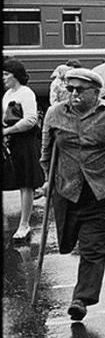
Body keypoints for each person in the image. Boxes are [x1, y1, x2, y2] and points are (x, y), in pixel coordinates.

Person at [40, 68, 105, 321]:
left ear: (96, 92)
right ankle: (81, 285)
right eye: (71, 89)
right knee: (67, 243)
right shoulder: (55, 114)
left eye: (80, 90)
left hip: (104, 191)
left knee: (92, 247)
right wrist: (47, 179)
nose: (74, 94)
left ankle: (81, 299)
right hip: (67, 189)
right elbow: (46, 151)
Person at [3, 59, 45, 241]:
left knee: (26, 183)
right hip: (12, 141)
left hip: (26, 141)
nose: (3, 77)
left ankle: (24, 224)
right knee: (19, 179)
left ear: (16, 75)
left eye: (6, 74)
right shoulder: (7, 94)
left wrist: (8, 130)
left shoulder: (26, 93)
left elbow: (30, 120)